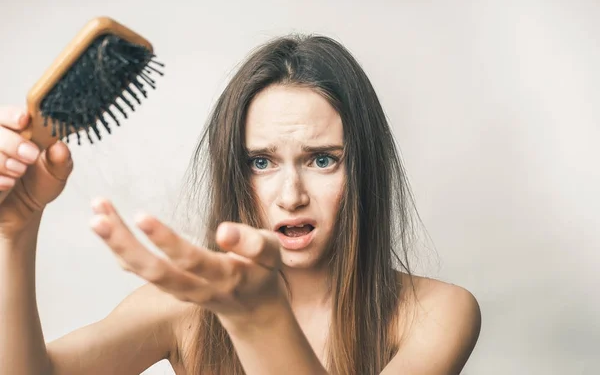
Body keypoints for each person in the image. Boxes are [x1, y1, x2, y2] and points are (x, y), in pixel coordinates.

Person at [0, 34, 481, 375]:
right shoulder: (182, 308)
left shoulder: (436, 313)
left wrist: (259, 318)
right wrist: (14, 234)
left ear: (364, 170)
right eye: (260, 162)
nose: (291, 196)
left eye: (321, 160)